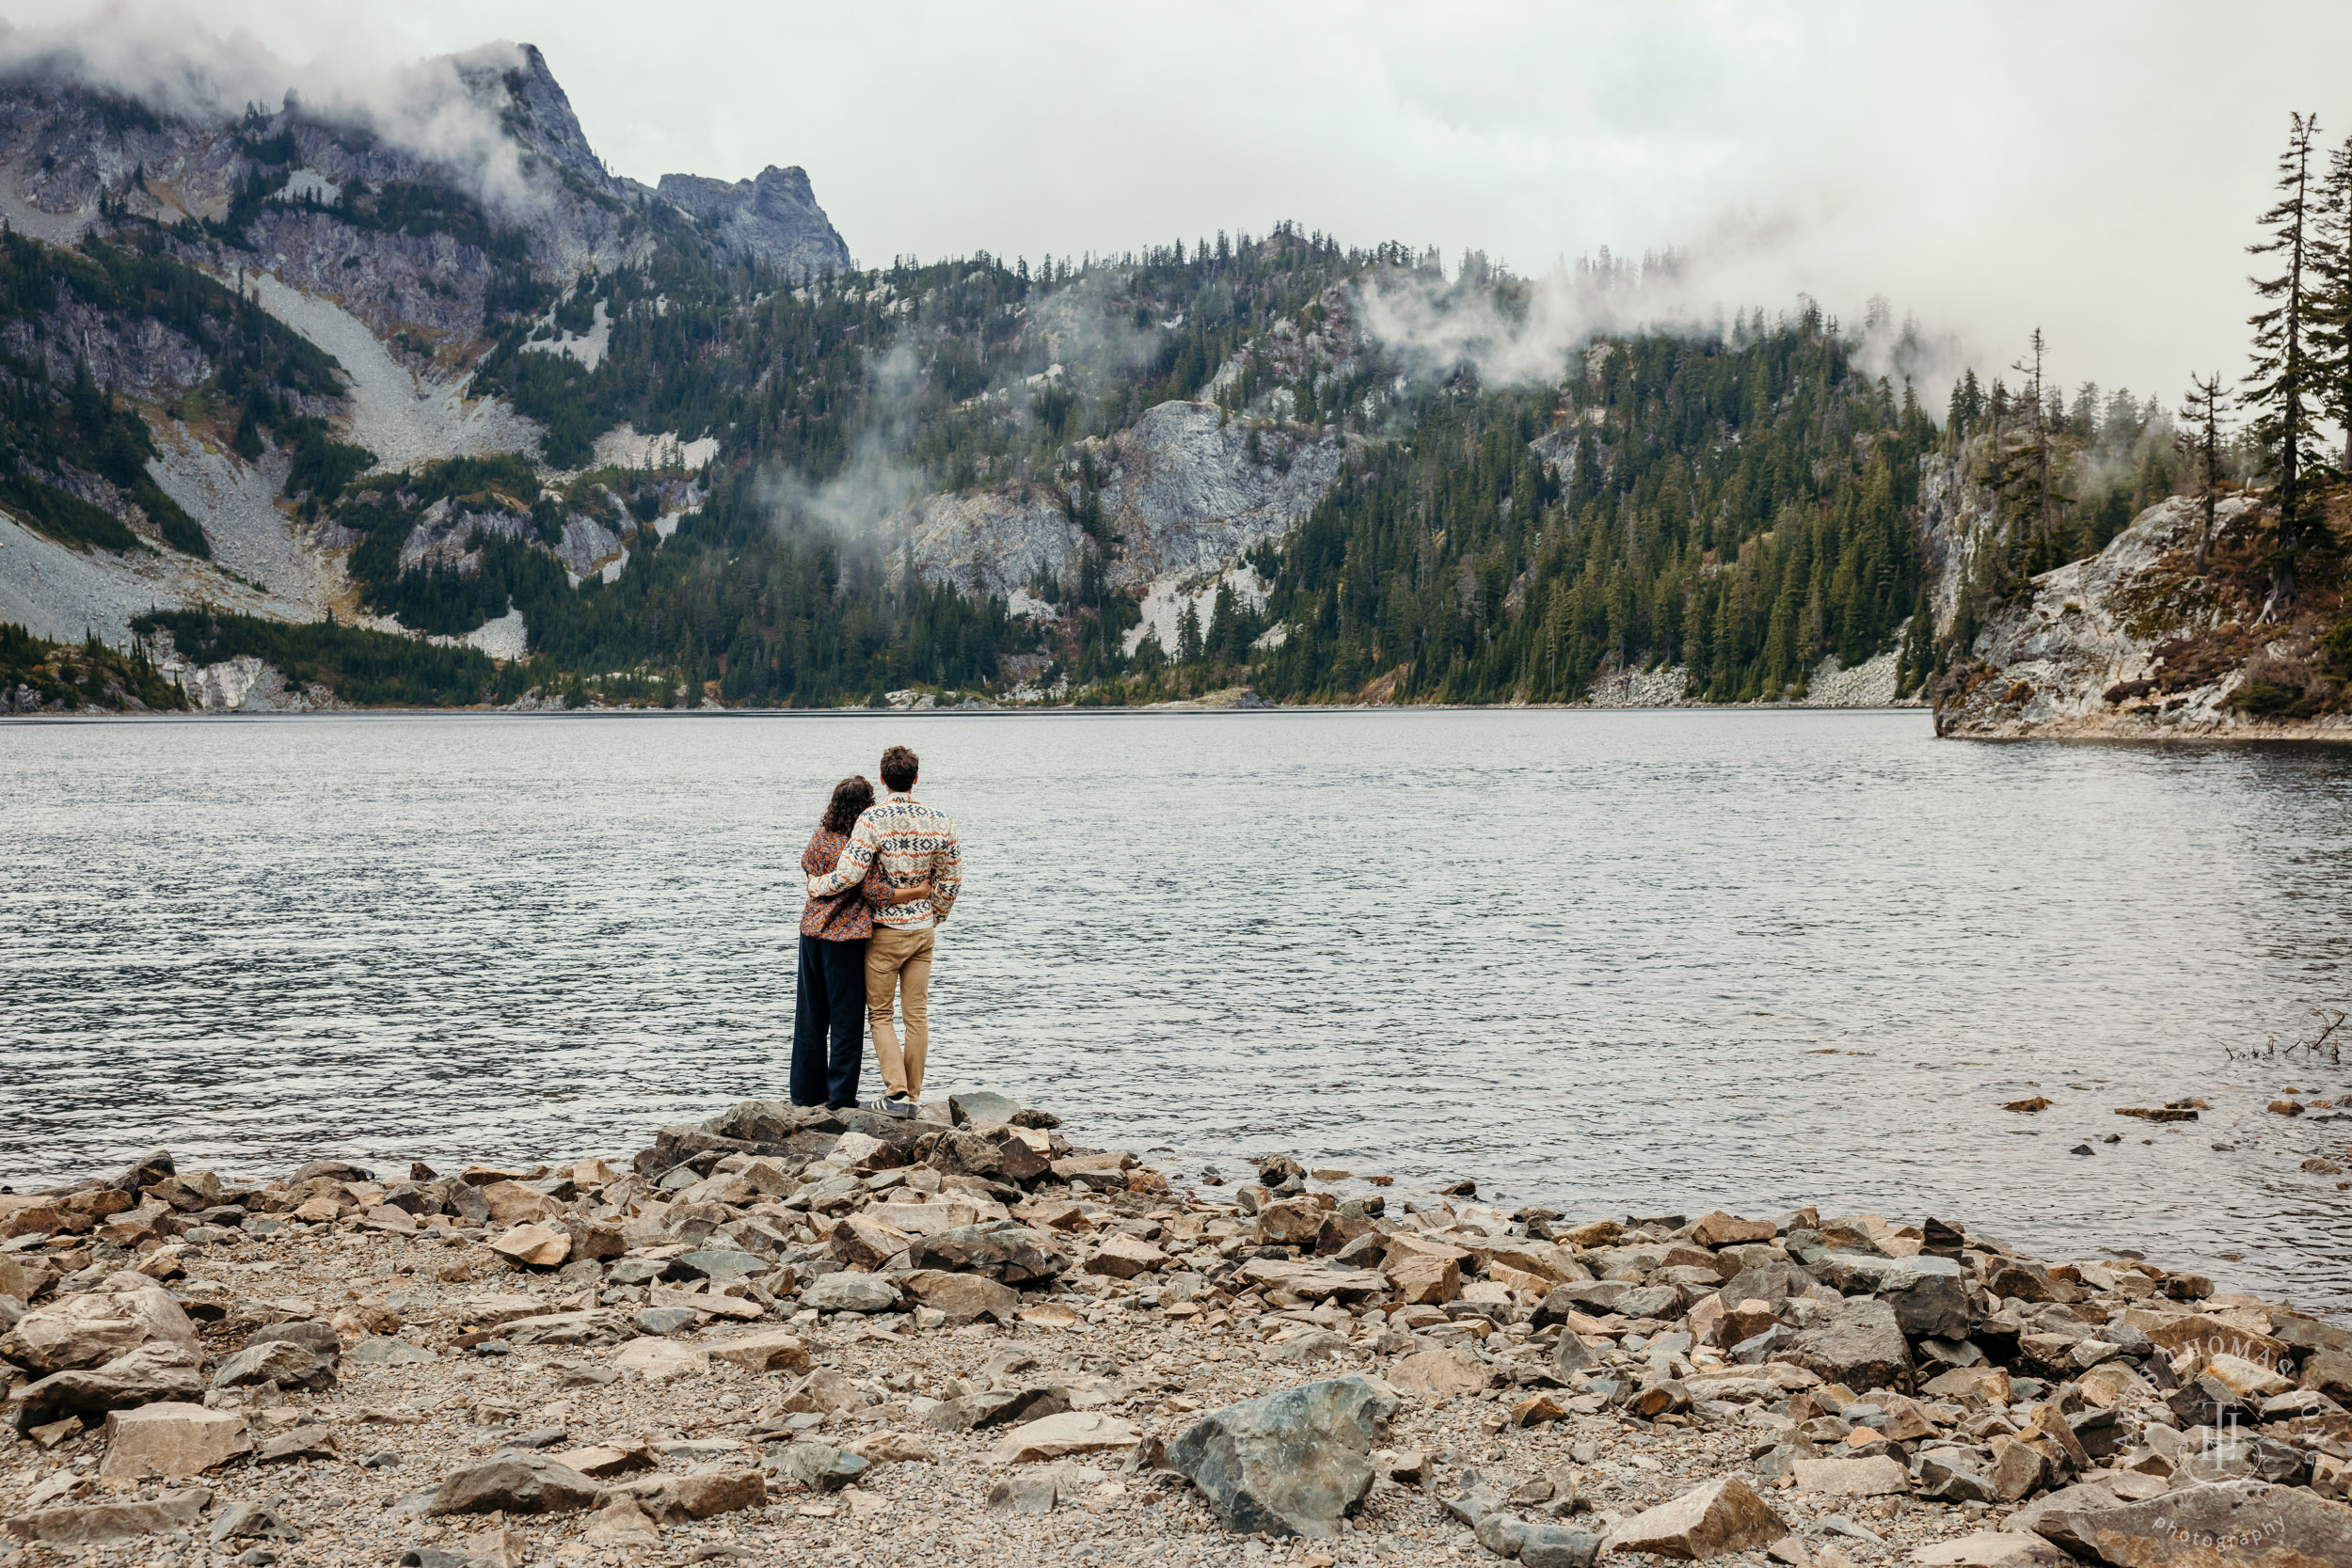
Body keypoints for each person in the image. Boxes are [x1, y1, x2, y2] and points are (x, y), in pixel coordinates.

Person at [804, 744, 961, 1118]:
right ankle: (914, 1097)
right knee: (917, 1017)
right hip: (923, 931)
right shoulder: (941, 821)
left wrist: (816, 887)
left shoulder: (872, 820)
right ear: (916, 779)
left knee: (879, 1014)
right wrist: (933, 915)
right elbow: (952, 879)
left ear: (882, 779)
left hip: (886, 931)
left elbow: (850, 875)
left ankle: (896, 1094)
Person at [792, 775, 930, 1110]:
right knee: (846, 1020)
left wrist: (817, 883)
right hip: (845, 938)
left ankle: (806, 1093)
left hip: (811, 933)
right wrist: (918, 891)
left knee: (810, 1016)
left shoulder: (821, 836)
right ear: (867, 805)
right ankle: (839, 1097)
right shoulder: (860, 843)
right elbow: (875, 891)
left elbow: (806, 865)